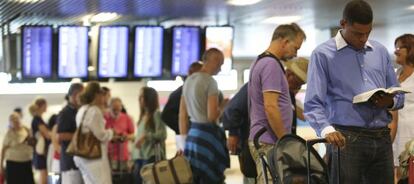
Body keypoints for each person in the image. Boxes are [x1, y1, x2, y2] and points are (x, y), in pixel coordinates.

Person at [304, 1, 405, 183]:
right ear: (343, 24)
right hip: (345, 139)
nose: (363, 38)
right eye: (358, 33)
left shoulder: (380, 51)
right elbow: (313, 103)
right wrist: (327, 130)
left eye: (368, 32)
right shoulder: (322, 54)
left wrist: (389, 102)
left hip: (382, 137)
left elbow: (398, 95)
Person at [223, 58, 308, 184]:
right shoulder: (262, 85)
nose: (298, 87)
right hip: (258, 143)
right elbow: (233, 108)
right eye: (297, 83)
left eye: (301, 85)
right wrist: (233, 133)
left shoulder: (286, 93)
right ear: (289, 75)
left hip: (275, 148)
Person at [247, 23, 305, 183]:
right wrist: (285, 142)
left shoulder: (260, 61)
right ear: (284, 41)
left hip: (266, 139)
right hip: (269, 141)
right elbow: (271, 107)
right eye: (295, 48)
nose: (295, 54)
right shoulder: (271, 65)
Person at [179, 48, 230, 183]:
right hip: (207, 137)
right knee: (211, 178)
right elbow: (212, 116)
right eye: (220, 64)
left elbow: (182, 115)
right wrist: (223, 107)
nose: (220, 68)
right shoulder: (210, 82)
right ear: (214, 61)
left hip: (192, 137)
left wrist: (183, 143)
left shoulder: (189, 81)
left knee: (195, 177)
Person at [74, 82, 122, 184]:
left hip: (81, 156)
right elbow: (101, 135)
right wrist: (111, 132)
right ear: (96, 95)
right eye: (102, 95)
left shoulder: (82, 109)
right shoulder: (94, 111)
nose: (104, 98)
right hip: (94, 156)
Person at [389, 34, 414, 182]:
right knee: (397, 173)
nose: (395, 51)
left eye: (399, 47)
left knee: (409, 173)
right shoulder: (396, 73)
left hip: (411, 132)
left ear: (410, 50)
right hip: (396, 130)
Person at [132, 87, 167, 184]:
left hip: (151, 156)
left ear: (149, 98)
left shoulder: (156, 114)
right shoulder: (143, 116)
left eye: (142, 96)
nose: (139, 98)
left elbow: (162, 134)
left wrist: (146, 136)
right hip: (139, 156)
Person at [161, 61, 203, 134]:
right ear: (190, 73)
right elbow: (166, 116)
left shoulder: (197, 91)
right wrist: (184, 128)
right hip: (186, 136)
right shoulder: (180, 93)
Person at [57, 83, 85, 184]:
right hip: (70, 163)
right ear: (75, 94)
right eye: (82, 94)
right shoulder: (65, 113)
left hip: (79, 161)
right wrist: (83, 137)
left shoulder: (79, 111)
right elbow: (61, 136)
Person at [0, 112, 35, 184]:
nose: (15, 121)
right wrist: (1, 166)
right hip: (12, 163)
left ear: (20, 119)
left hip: (26, 162)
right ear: (10, 122)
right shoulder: (9, 133)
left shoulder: (27, 130)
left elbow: (33, 144)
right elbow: (3, 149)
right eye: (13, 119)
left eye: (17, 118)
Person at [105, 97, 134, 171]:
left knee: (124, 179)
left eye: (118, 109)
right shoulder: (104, 118)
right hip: (108, 155)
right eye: (114, 109)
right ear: (109, 107)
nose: (116, 112)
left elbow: (133, 135)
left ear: (121, 107)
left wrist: (125, 136)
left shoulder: (127, 118)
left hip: (123, 155)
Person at [29, 97, 51, 184]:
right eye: (45, 105)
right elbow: (46, 134)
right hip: (41, 151)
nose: (46, 107)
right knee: (44, 174)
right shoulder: (37, 119)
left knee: (44, 173)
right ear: (41, 106)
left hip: (41, 150)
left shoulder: (38, 119)